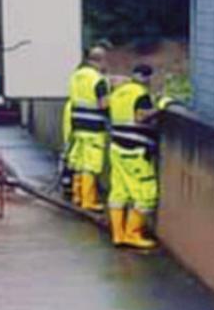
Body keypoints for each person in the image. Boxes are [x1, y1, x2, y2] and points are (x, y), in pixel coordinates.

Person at [107, 63, 162, 249]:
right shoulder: (141, 94)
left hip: (117, 148)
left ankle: (118, 235)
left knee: (119, 192)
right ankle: (132, 235)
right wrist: (161, 108)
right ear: (147, 78)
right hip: (135, 151)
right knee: (146, 194)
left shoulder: (118, 93)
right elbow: (140, 117)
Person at [63, 46, 110, 211]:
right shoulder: (98, 80)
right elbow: (104, 104)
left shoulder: (76, 76)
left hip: (77, 126)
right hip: (94, 129)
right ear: (101, 60)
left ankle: (77, 196)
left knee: (78, 162)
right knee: (91, 166)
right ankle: (88, 201)